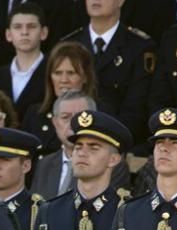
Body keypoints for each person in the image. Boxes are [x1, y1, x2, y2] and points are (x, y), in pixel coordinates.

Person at [66, 0, 156, 145]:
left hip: (118, 141)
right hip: (72, 138)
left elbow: (136, 109)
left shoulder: (139, 47)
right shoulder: (69, 44)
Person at [21, 40, 96, 157]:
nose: (64, 80)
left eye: (71, 73)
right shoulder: (35, 114)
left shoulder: (100, 113)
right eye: (58, 73)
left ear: (85, 77)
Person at [29, 91, 95, 200]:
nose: (73, 124)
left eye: (81, 117)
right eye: (65, 117)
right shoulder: (44, 164)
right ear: (55, 122)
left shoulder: (107, 164)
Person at [0, 2, 49, 124]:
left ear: (43, 33)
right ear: (8, 34)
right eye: (18, 27)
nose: (24, 32)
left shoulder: (53, 72)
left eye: (31, 26)